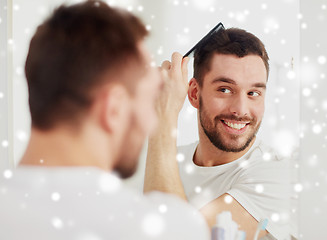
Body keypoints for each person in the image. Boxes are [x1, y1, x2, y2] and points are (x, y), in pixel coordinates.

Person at [0, 1, 209, 239]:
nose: (150, 121)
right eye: (150, 99)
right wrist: (166, 119)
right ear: (114, 108)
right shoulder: (165, 227)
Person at [144, 28, 292, 239]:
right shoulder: (162, 160)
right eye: (225, 89)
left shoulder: (279, 176)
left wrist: (162, 119)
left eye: (253, 93)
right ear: (195, 94)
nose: (240, 109)